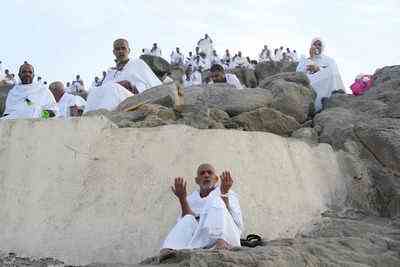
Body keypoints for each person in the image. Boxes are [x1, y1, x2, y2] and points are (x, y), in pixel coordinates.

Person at [161, 164, 243, 253]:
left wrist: (224, 193)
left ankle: (221, 243)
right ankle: (169, 248)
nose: (206, 175)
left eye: (209, 173)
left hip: (227, 235)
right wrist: (182, 199)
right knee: (187, 219)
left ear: (216, 179)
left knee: (216, 201)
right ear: (197, 180)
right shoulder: (191, 198)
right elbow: (190, 221)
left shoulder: (229, 193)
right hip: (202, 238)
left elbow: (229, 217)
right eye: (202, 173)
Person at [85, 38, 160, 112]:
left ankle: (103, 115)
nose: (120, 51)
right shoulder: (110, 72)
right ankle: (87, 118)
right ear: (114, 52)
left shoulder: (137, 63)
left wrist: (132, 87)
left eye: (123, 48)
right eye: (117, 49)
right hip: (114, 96)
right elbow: (103, 90)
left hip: (134, 98)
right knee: (93, 92)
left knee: (112, 87)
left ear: (129, 50)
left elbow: (154, 84)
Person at [296, 38, 345, 112]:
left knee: (330, 72)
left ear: (322, 47)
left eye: (319, 44)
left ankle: (331, 98)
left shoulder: (329, 60)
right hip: (310, 83)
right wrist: (311, 58)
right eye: (314, 44)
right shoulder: (304, 59)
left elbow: (334, 72)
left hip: (325, 81)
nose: (316, 47)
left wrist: (318, 69)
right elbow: (298, 73)